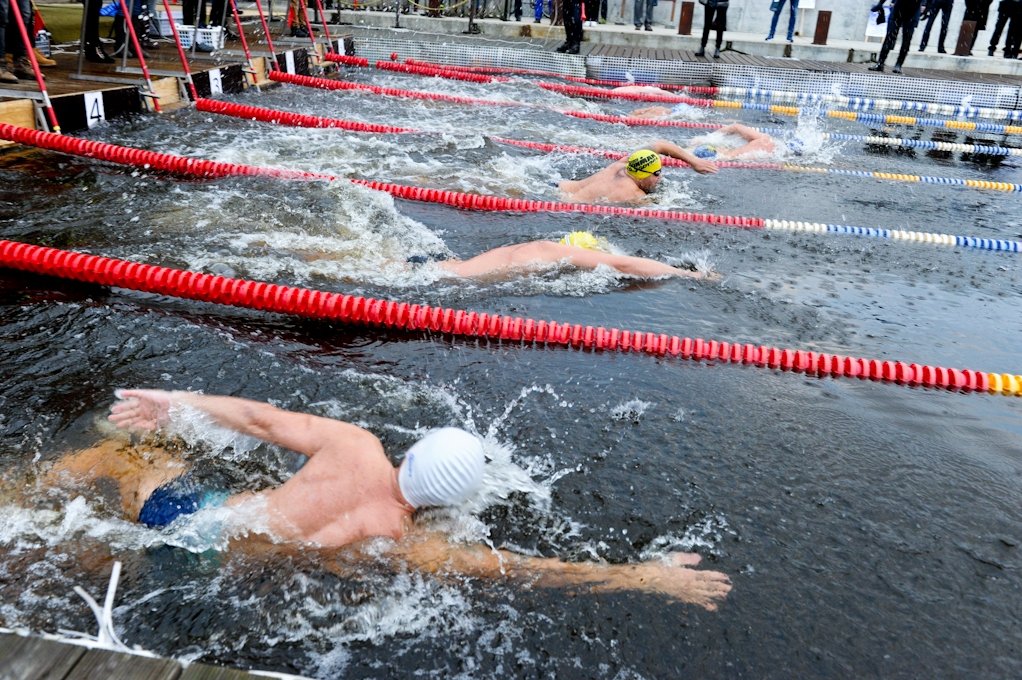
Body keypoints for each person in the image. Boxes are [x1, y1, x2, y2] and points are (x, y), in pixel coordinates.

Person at [48, 389, 733, 610]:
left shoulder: (354, 446)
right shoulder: (403, 542)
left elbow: (259, 420)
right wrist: (639, 577)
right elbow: (518, 569)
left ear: (413, 452)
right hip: (207, 569)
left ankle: (28, 493)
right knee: (96, 558)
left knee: (125, 459)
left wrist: (175, 402)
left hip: (183, 519)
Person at [432, 231, 714, 280]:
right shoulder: (550, 254)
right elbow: (624, 264)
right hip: (443, 278)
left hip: (442, 268)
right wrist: (685, 274)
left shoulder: (539, 248)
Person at [558, 142, 718, 203]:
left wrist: (694, 161)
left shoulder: (624, 164)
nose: (660, 177)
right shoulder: (633, 194)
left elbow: (660, 145)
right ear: (643, 175)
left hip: (559, 188)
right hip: (564, 206)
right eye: (656, 173)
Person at [869, 0, 923, 73]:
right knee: (889, 37)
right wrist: (880, 3)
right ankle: (880, 63)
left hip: (913, 12)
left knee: (906, 39)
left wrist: (926, 6)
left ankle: (899, 64)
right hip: (898, 9)